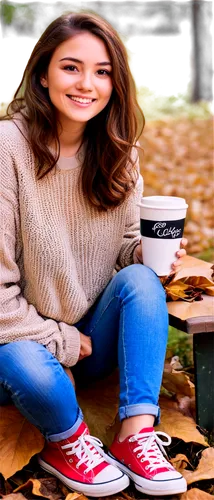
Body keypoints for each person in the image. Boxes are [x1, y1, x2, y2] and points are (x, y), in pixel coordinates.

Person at [0, 8, 188, 498]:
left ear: (115, 84)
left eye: (103, 72)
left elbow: (124, 253)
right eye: (71, 67)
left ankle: (136, 436)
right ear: (41, 74)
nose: (87, 84)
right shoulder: (7, 150)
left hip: (90, 340)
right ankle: (67, 441)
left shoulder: (119, 151)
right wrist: (58, 340)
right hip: (19, 344)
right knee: (30, 370)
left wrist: (150, 251)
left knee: (142, 282)